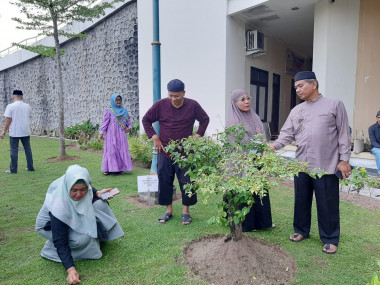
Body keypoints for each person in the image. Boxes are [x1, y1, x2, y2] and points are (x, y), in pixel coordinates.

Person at [269, 71, 351, 254]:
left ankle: (330, 238)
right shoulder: (296, 110)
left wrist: (344, 159)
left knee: (327, 203)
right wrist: (273, 147)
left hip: (327, 164)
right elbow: (287, 134)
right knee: (301, 200)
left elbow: (344, 133)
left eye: (300, 85)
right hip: (302, 164)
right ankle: (301, 230)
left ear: (314, 84)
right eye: (295, 87)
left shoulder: (334, 105)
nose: (297, 89)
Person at [35, 164, 124, 285]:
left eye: (83, 190)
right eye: (74, 190)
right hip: (47, 226)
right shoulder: (59, 205)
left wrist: (97, 193)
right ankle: (50, 250)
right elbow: (61, 242)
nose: (78, 194)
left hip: (66, 216)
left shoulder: (75, 181)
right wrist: (71, 269)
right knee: (82, 239)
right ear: (68, 187)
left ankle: (91, 239)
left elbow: (87, 187)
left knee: (100, 204)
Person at [142, 79, 210, 225]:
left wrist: (197, 135)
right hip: (165, 151)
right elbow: (146, 119)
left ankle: (186, 211)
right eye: (171, 95)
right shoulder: (160, 105)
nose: (173, 99)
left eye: (177, 96)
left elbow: (204, 119)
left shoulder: (192, 105)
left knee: (187, 182)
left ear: (183, 94)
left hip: (186, 153)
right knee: (165, 181)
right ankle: (169, 210)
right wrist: (155, 137)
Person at [226, 88, 274, 232]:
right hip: (241, 162)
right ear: (235, 102)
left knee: (259, 189)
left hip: (257, 159)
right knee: (244, 191)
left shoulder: (254, 116)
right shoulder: (233, 120)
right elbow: (235, 142)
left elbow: (262, 136)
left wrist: (263, 150)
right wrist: (248, 155)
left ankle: (263, 222)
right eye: (242, 99)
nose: (247, 102)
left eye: (248, 98)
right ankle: (247, 224)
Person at [0, 90, 34, 174]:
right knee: (28, 149)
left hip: (15, 131)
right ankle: (30, 167)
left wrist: (3, 132)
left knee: (14, 150)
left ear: (13, 96)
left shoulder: (10, 106)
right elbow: (29, 116)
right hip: (25, 130)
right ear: (21, 97)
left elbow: (8, 120)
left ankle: (13, 169)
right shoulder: (27, 106)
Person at [98, 94, 133, 175]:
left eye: (119, 100)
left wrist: (129, 127)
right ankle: (107, 169)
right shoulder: (109, 110)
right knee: (111, 150)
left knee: (121, 149)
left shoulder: (124, 110)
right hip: (111, 134)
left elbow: (128, 121)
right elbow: (105, 122)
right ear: (113, 101)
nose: (118, 101)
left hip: (121, 134)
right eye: (116, 100)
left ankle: (120, 168)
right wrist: (101, 133)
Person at [368, 110, 380, 181]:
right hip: (375, 147)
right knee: (379, 152)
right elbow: (373, 142)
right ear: (376, 118)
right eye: (379, 117)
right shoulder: (372, 128)